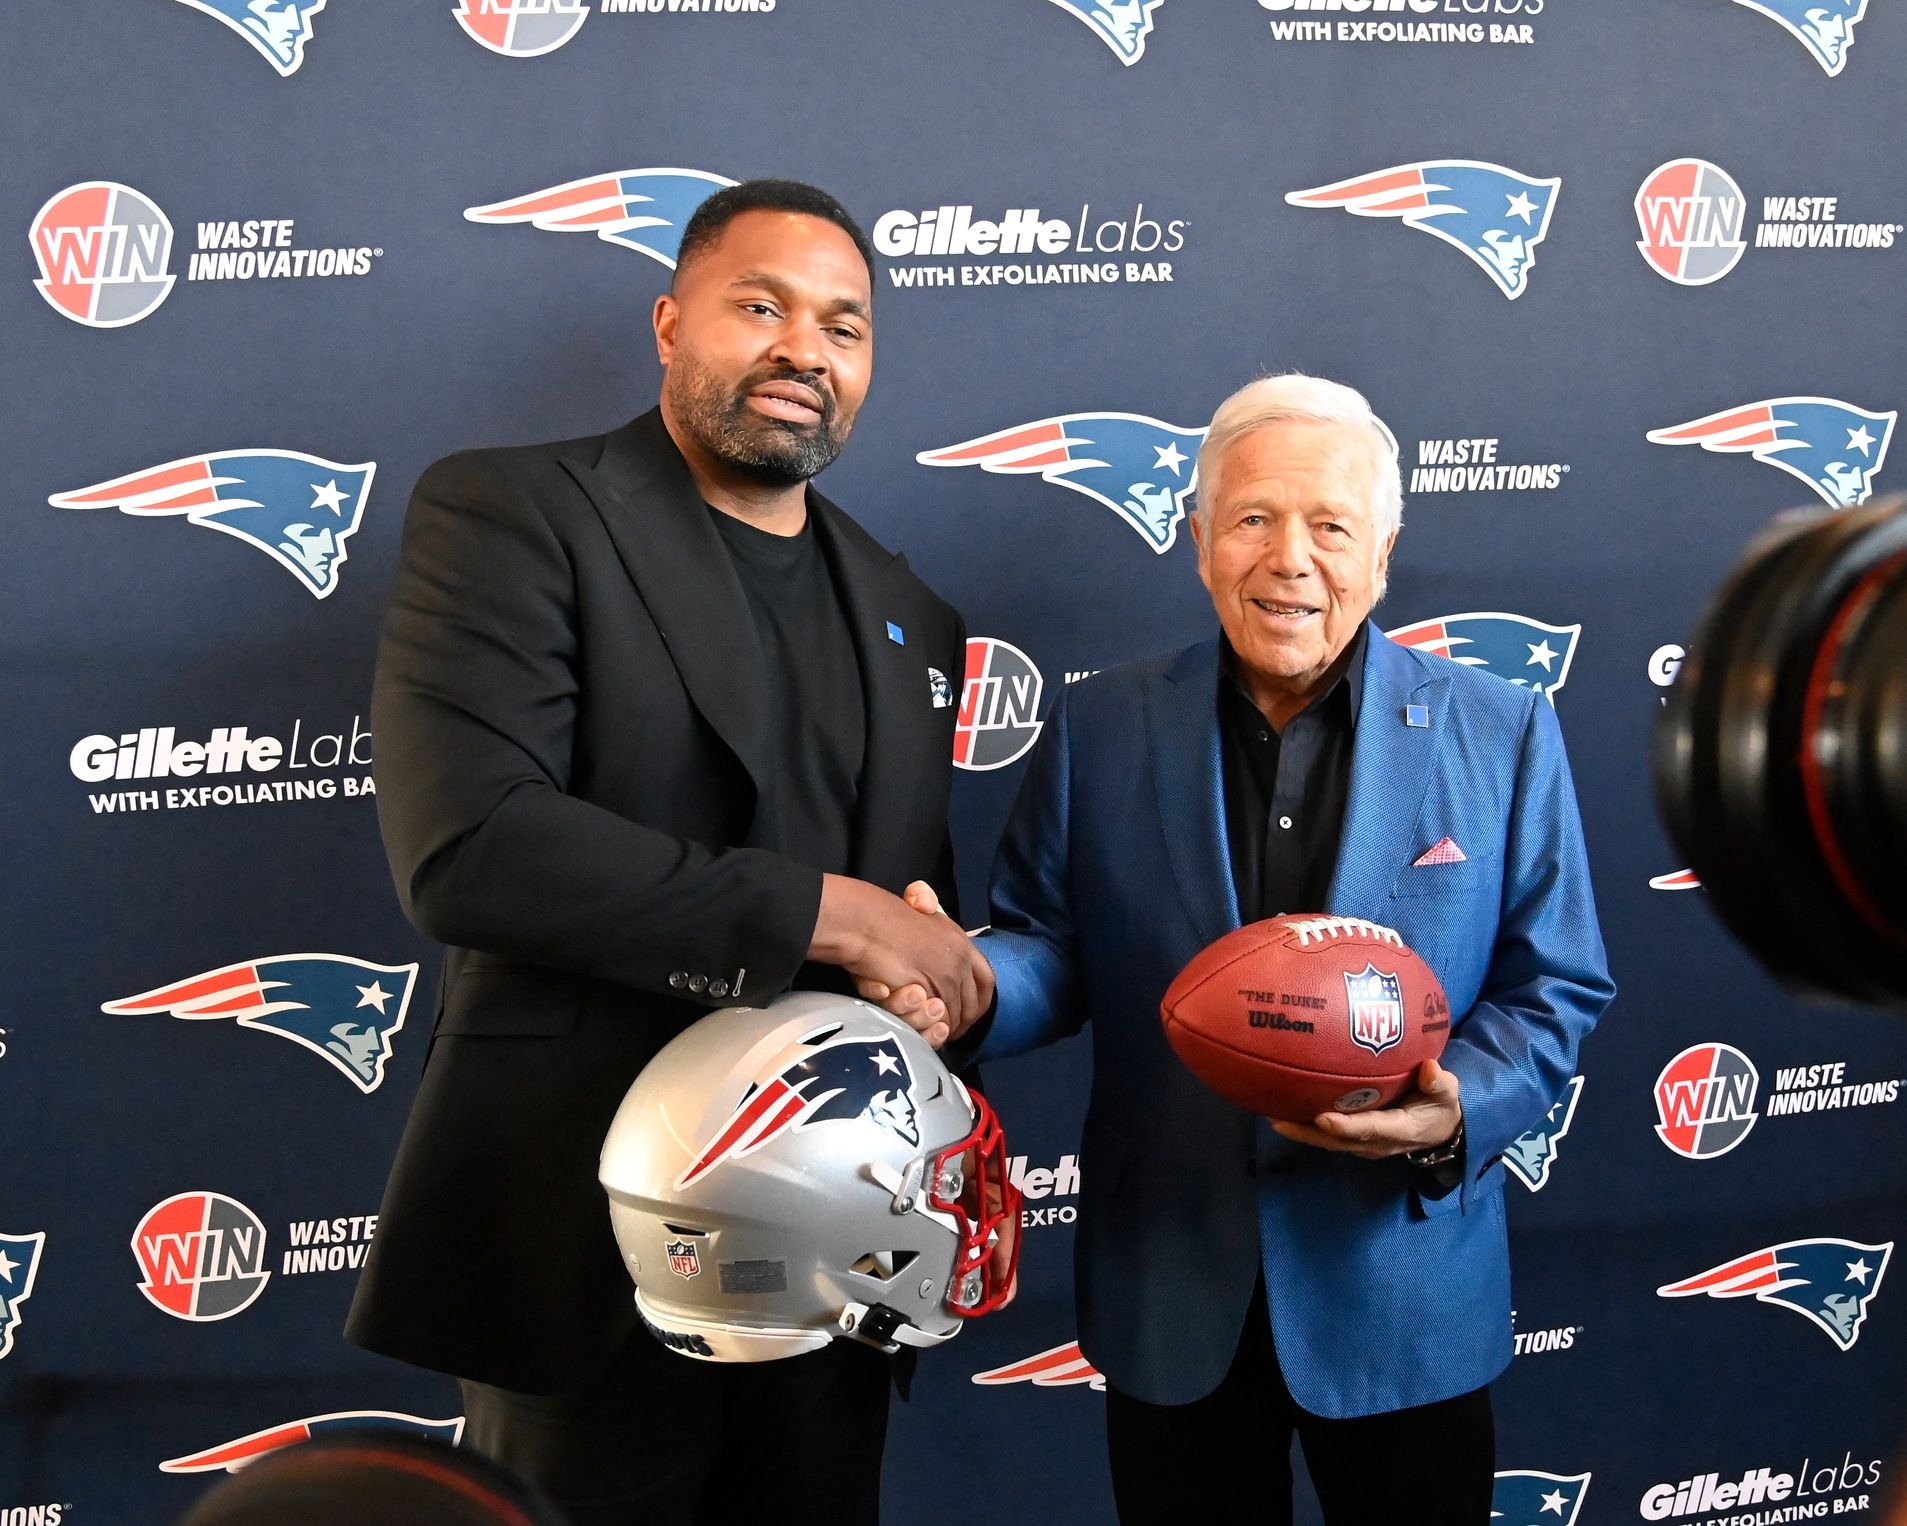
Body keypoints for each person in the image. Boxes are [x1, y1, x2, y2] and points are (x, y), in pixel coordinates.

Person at [345, 179, 992, 1526]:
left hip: (833, 1269)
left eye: (843, 325)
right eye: (757, 305)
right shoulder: (516, 512)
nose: (802, 349)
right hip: (582, 1248)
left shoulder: (911, 611)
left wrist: (923, 976)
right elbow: (472, 847)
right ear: (667, 322)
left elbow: (913, 907)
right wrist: (838, 914)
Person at [879, 373, 1614, 1525]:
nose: (1290, 559)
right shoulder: (1100, 725)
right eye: (1253, 519)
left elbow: (1554, 980)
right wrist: (964, 986)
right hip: (1171, 1282)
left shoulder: (1500, 728)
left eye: (1329, 525)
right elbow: (1050, 949)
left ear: (1380, 551)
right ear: (1198, 540)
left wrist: (1456, 1104)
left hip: (1401, 1291)